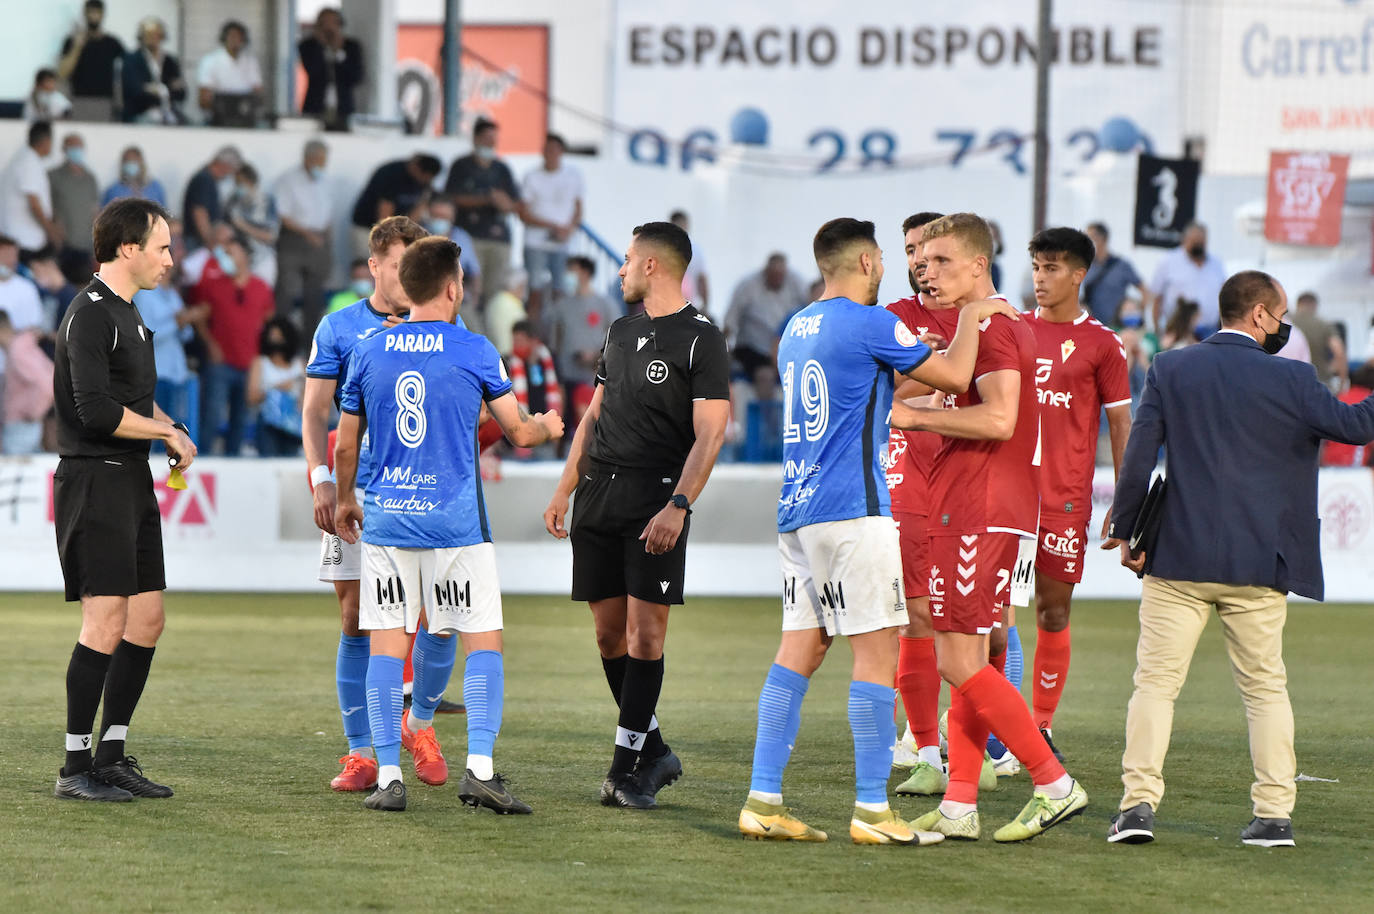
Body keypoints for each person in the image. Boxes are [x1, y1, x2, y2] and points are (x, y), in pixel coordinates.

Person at [739, 217, 1016, 845]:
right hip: (852, 510)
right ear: (866, 262)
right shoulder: (872, 323)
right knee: (877, 653)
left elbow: (881, 385)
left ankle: (762, 798)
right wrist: (974, 316)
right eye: (886, 258)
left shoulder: (795, 327)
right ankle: (872, 811)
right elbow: (952, 376)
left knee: (797, 654)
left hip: (797, 512)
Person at [1103, 270, 1374, 848]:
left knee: (1154, 685)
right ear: (1258, 315)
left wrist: (1125, 527)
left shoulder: (1171, 369)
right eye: (1279, 317)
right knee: (1265, 689)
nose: (1282, 328)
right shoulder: (1295, 378)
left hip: (1177, 556)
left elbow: (1140, 456)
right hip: (1259, 561)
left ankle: (1137, 809)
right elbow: (1357, 426)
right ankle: (1274, 816)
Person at [334, 235, 563, 812]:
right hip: (455, 526)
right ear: (453, 286)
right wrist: (550, 424)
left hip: (388, 523)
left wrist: (344, 501)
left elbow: (344, 447)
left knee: (387, 649)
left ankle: (389, 776)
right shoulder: (476, 349)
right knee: (482, 641)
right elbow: (517, 431)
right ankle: (479, 770)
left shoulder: (368, 350)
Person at [897, 213, 1088, 842]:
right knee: (973, 654)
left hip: (979, 507)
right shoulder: (981, 325)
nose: (930, 273)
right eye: (925, 263)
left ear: (980, 265)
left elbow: (1001, 418)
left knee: (956, 657)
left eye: (944, 262)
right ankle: (959, 803)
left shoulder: (996, 327)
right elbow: (968, 400)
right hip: (983, 504)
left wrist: (914, 419)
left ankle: (1051, 781)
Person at [542, 221, 730, 809]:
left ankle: (625, 771)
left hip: (655, 501)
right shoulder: (620, 331)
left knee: (645, 637)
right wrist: (563, 488)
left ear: (652, 266)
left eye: (626, 260)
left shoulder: (702, 338)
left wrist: (679, 504)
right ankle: (654, 750)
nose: (619, 270)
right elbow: (592, 418)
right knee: (607, 636)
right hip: (598, 495)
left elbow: (712, 433)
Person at [50, 197, 197, 802]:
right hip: (94, 480)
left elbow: (132, 405)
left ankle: (111, 754)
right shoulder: (88, 314)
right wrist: (162, 431)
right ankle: (73, 768)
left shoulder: (131, 313)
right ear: (128, 249)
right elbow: (94, 410)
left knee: (146, 619)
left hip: (129, 479)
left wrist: (170, 427)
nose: (170, 258)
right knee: (104, 622)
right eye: (162, 247)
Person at [302, 215, 428, 792]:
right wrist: (322, 478)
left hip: (419, 496)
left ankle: (416, 725)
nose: (408, 276)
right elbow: (314, 412)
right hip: (354, 493)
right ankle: (362, 755)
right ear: (374, 265)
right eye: (399, 265)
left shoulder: (441, 324)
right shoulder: (340, 327)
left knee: (423, 620)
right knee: (355, 619)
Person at [1024, 228, 1133, 758]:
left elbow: (1121, 426)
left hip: (1064, 500)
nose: (1040, 278)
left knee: (1053, 612)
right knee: (990, 619)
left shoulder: (1102, 344)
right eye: (1037, 267)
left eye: (1052, 268)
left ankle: (1040, 725)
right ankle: (989, 728)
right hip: (1005, 497)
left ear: (1078, 275)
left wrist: (1127, 496)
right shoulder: (1011, 331)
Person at [879, 211, 962, 796]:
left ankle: (981, 745)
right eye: (911, 252)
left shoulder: (987, 317)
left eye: (930, 254)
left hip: (972, 479)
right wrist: (923, 367)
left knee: (988, 626)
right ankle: (929, 749)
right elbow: (877, 389)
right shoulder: (893, 320)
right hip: (908, 477)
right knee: (918, 616)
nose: (919, 264)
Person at [192, 234, 273, 456]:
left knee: (241, 420)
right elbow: (199, 316)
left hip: (249, 365)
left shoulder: (262, 288)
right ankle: (203, 461)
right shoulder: (213, 285)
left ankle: (234, 464)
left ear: (245, 255)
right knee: (211, 416)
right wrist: (210, 344)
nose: (225, 257)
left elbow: (269, 324)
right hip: (221, 364)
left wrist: (261, 360)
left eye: (230, 252)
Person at [445, 118, 520, 315]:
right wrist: (487, 199)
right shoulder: (461, 166)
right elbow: (453, 198)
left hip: (499, 240)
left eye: (494, 139)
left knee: (494, 294)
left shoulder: (502, 169)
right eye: (487, 138)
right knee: (468, 290)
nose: (491, 143)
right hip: (470, 238)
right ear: (476, 139)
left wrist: (503, 203)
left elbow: (513, 203)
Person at [133, 249, 204, 433]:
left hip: (175, 373)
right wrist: (178, 321)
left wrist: (185, 321)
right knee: (155, 430)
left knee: (173, 428)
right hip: (156, 373)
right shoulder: (143, 295)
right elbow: (146, 336)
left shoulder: (173, 294)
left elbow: (186, 335)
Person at [549, 255, 622, 435]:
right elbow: (555, 338)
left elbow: (617, 335)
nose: (568, 275)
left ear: (585, 273)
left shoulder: (604, 303)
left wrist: (596, 356)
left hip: (593, 377)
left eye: (572, 270)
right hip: (566, 375)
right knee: (565, 426)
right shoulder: (562, 305)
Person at [520, 134, 584, 327]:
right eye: (548, 149)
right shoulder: (532, 176)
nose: (551, 154)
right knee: (535, 289)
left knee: (561, 289)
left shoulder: (573, 176)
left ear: (561, 152)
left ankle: (559, 330)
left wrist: (568, 230)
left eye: (555, 150)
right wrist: (552, 226)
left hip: (561, 244)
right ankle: (531, 331)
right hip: (535, 243)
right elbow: (523, 213)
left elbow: (578, 209)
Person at [723, 253, 808, 398]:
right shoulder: (748, 286)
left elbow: (812, 304)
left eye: (780, 275)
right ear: (765, 272)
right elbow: (730, 321)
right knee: (765, 376)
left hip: (787, 346)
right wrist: (723, 349)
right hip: (755, 348)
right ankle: (769, 418)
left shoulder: (796, 282)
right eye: (773, 275)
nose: (777, 280)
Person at [273, 140, 334, 332]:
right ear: (309, 158)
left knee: (314, 295)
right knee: (286, 292)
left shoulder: (324, 181)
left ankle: (309, 343)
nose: (323, 164)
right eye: (320, 160)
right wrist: (307, 234)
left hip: (319, 241)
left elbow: (327, 213)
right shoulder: (288, 180)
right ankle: (281, 336)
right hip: (294, 240)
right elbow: (283, 215)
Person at [350, 154, 441, 257]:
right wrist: (390, 242)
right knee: (368, 266)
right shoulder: (392, 174)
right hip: (368, 228)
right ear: (416, 168)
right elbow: (384, 214)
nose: (425, 181)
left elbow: (419, 208)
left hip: (397, 232)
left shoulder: (425, 181)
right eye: (424, 177)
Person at [1, 122, 62, 261]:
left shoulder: (26, 159)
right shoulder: (28, 163)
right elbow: (34, 204)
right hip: (24, 241)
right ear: (46, 141)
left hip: (23, 237)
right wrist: (51, 231)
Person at [1150, 222, 1226, 335]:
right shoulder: (1168, 261)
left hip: (1209, 331)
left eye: (1201, 242)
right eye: (1195, 241)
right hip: (1178, 330)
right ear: (1185, 240)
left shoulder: (1216, 264)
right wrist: (1157, 330)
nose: (1198, 246)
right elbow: (1156, 298)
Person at [298, 7, 364, 131]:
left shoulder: (351, 47)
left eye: (333, 23)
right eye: (324, 24)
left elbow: (356, 77)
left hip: (343, 109)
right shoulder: (308, 46)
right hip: (315, 108)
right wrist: (320, 46)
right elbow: (312, 71)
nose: (329, 29)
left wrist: (338, 52)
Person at [247, 317, 304, 457]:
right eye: (272, 336)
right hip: (268, 424)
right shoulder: (260, 363)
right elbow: (251, 397)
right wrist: (277, 389)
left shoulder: (300, 364)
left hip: (293, 423)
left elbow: (307, 397)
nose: (275, 341)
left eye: (279, 336)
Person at [57, 0, 124, 120]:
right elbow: (62, 73)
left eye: (97, 12)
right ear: (84, 14)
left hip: (105, 101)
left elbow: (125, 71)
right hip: (79, 100)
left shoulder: (112, 43)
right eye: (90, 12)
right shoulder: (72, 41)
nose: (93, 16)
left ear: (103, 14)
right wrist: (77, 47)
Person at [0, 309, 54, 455]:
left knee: (14, 475)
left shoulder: (18, 352)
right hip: (25, 424)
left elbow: (47, 386)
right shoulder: (24, 347)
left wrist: (34, 412)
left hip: (21, 425)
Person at [505, 320, 562, 459]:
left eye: (520, 340)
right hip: (515, 437)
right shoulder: (506, 362)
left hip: (543, 434)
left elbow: (558, 393)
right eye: (514, 340)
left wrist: (533, 365)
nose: (516, 344)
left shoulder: (547, 361)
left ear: (532, 341)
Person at [120, 16, 187, 125]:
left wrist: (155, 89)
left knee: (188, 124)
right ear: (141, 36)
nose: (152, 37)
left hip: (167, 112)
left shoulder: (170, 61)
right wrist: (166, 89)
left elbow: (181, 93)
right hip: (140, 113)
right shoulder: (131, 59)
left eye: (156, 34)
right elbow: (135, 91)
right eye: (148, 34)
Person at [1081, 222, 1150, 327]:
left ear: (1103, 239)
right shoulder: (1086, 266)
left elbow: (1144, 291)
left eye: (1091, 237)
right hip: (1092, 325)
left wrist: (1136, 314)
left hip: (1117, 327)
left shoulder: (1121, 265)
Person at [48, 133, 100, 271]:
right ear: (64, 149)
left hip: (86, 246)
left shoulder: (90, 178)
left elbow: (94, 211)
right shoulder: (53, 176)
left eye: (79, 147)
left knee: (84, 286)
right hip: (62, 244)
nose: (76, 151)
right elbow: (46, 208)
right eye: (72, 147)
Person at [197, 20, 263, 127]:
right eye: (232, 36)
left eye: (239, 37)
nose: (235, 40)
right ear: (224, 38)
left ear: (243, 40)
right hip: (218, 117)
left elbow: (258, 92)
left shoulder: (251, 61)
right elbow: (203, 98)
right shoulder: (210, 60)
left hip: (244, 115)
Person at [224, 164, 278, 286]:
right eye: (236, 182)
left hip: (262, 259)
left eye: (240, 182)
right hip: (239, 260)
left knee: (261, 296)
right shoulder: (232, 201)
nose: (238, 186)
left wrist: (243, 226)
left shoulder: (267, 201)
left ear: (251, 181)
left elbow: (271, 236)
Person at [182, 147, 242, 251]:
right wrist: (209, 241)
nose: (229, 175)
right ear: (224, 165)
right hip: (197, 242)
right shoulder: (204, 179)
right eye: (231, 170)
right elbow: (199, 212)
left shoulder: (208, 179)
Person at [423, 198, 481, 301]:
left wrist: (474, 299)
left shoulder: (462, 238)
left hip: (456, 299)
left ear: (452, 218)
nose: (440, 220)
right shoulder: (418, 235)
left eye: (444, 217)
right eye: (436, 216)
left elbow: (474, 272)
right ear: (429, 215)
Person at [1289, 291, 1347, 389]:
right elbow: (1339, 352)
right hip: (1320, 384)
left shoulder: (1286, 324)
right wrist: (1342, 382)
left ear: (1298, 304)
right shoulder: (1324, 324)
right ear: (1314, 305)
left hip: (1292, 385)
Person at [670, 211, 709, 315]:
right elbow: (703, 281)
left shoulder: (662, 249)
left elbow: (702, 281)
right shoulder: (696, 250)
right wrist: (705, 307)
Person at [102, 146, 167, 209]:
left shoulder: (155, 188)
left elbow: (164, 213)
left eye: (134, 161)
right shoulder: (113, 190)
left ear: (141, 163)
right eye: (128, 161)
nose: (131, 164)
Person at [484, 268, 528, 358]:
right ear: (519, 286)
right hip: (510, 356)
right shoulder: (512, 305)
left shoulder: (494, 301)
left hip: (493, 354)